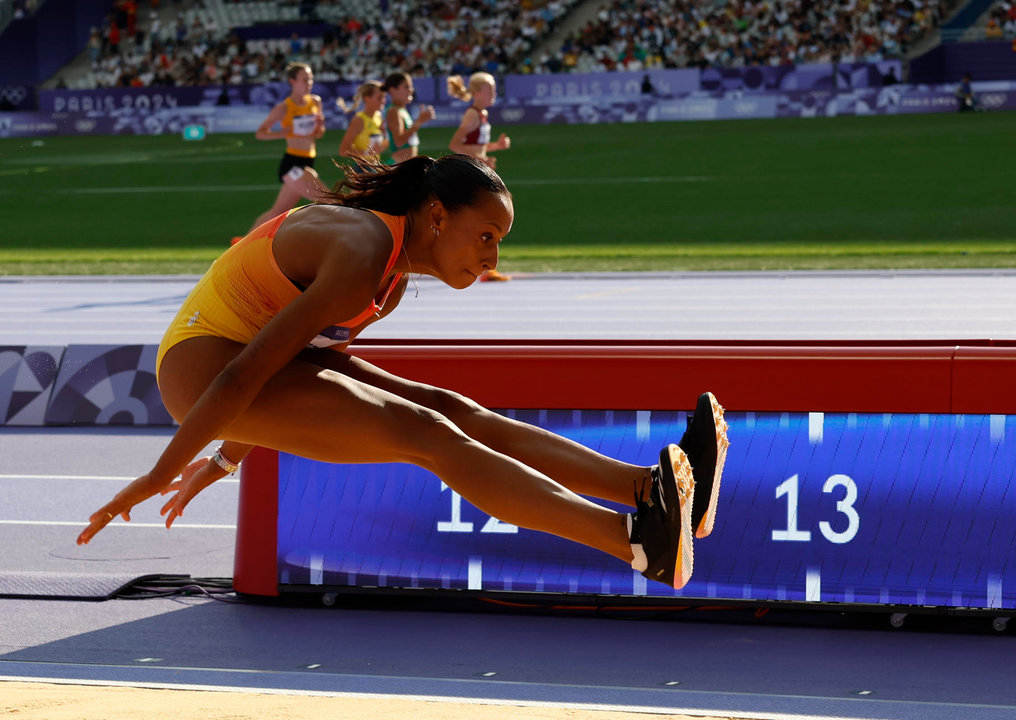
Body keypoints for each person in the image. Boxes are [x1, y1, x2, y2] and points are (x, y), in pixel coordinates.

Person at [76, 155, 730, 591]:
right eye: (486, 237)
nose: (493, 257)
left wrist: (222, 461)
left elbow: (298, 375)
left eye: (500, 243)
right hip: (201, 372)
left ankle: (652, 491)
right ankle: (635, 541)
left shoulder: (385, 282)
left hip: (252, 368)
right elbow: (241, 379)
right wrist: (162, 473)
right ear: (438, 216)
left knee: (457, 413)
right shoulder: (362, 254)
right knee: (427, 432)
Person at [248, 62, 328, 233]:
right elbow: (260, 133)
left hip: (308, 159)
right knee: (328, 200)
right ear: (292, 81)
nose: (309, 83)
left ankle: (241, 245)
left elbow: (318, 134)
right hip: (292, 164)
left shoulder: (315, 102)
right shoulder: (284, 108)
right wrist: (284, 132)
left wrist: (320, 126)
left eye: (310, 79)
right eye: (304, 80)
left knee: (277, 213)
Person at [447, 72, 512, 281]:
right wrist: (480, 160)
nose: (493, 93)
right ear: (476, 93)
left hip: (478, 171)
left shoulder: (482, 113)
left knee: (485, 220)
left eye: (494, 89)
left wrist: (495, 148)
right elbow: (455, 145)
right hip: (470, 174)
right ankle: (471, 265)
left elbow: (477, 146)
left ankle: (483, 268)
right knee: (479, 220)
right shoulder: (472, 115)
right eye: (489, 89)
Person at [383, 72, 435, 165]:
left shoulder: (401, 110)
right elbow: (398, 142)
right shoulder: (394, 111)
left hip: (405, 165)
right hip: (398, 166)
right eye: (406, 87)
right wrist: (419, 121)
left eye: (411, 86)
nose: (411, 90)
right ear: (393, 90)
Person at [337, 81, 387, 169]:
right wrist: (367, 153)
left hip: (376, 166)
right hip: (363, 169)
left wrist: (384, 140)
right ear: (367, 98)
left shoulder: (378, 116)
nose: (383, 101)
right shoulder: (359, 120)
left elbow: (380, 146)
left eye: (384, 97)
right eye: (379, 97)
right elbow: (343, 150)